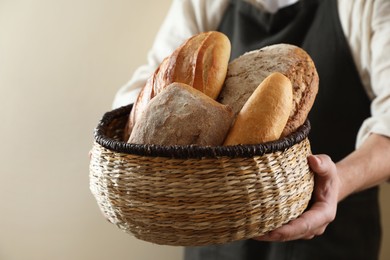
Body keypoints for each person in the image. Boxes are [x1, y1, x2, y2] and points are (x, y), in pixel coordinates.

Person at [113, 0, 390, 259]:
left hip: (329, 239)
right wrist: (117, 151)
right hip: (213, 236)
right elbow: (156, 84)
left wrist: (339, 181)